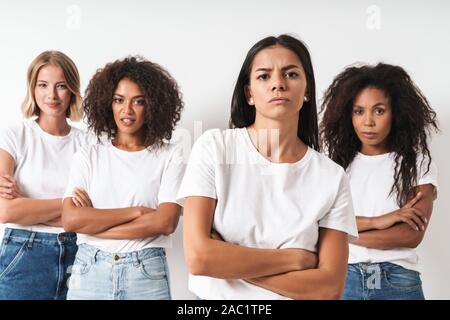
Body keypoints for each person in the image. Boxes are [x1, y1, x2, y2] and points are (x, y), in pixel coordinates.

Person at [177, 34, 358, 300]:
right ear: (249, 93)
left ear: (307, 90)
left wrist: (229, 262)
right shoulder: (215, 148)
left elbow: (328, 288)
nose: (278, 84)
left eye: (291, 74)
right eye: (264, 76)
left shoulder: (331, 177)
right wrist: (293, 259)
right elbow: (199, 258)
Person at [62, 56, 185, 300]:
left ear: (152, 106)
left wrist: (95, 225)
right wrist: (137, 212)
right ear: (108, 103)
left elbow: (165, 223)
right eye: (119, 100)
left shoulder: (170, 155)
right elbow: (71, 220)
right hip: (89, 270)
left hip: (146, 272)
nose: (126, 110)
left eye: (138, 102)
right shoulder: (89, 155)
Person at [320, 63, 439, 300]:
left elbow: (410, 236)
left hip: (398, 280)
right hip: (343, 279)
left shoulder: (417, 164)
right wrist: (383, 220)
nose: (368, 122)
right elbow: (320, 224)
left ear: (396, 112)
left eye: (379, 110)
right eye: (359, 111)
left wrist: (343, 235)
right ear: (347, 114)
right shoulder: (334, 166)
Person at [0, 51, 90, 299]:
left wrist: (28, 207)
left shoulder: (89, 143)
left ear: (72, 89)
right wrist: (70, 207)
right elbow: (6, 211)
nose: (51, 95)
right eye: (43, 85)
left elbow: (96, 214)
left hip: (82, 254)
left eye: (61, 86)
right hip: (24, 253)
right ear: (32, 88)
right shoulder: (13, 136)